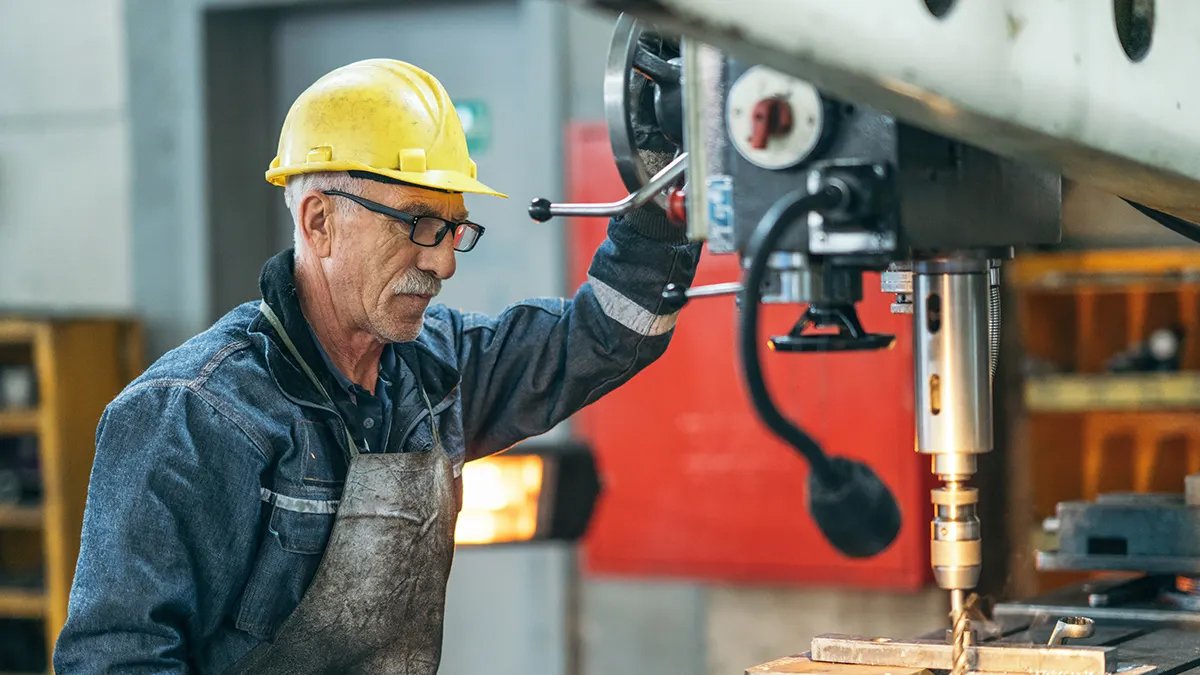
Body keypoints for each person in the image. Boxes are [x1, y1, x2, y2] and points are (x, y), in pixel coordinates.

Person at [53, 59, 699, 673]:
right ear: (319, 222)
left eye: (455, 230)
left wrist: (672, 181)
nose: (444, 262)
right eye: (418, 223)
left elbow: (606, 335)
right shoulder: (194, 415)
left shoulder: (437, 372)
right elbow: (118, 657)